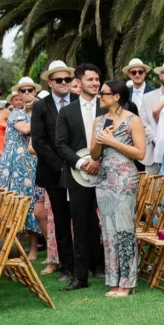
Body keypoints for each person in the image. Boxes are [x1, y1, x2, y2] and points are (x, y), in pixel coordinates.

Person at [90, 79, 146, 296]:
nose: (99, 96)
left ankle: (128, 283)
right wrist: (100, 140)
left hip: (125, 180)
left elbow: (140, 153)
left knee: (124, 230)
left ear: (116, 97)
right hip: (104, 180)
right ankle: (114, 280)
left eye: (103, 93)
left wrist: (113, 142)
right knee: (108, 231)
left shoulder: (133, 120)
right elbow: (94, 154)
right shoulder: (99, 121)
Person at [56, 63, 105, 291]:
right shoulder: (67, 112)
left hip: (105, 172)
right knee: (81, 223)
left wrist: (98, 161)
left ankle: (103, 267)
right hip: (77, 175)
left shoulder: (107, 108)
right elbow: (61, 144)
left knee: (105, 221)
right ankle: (80, 276)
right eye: (90, 79)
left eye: (97, 79)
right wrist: (81, 163)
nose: (95, 83)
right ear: (78, 82)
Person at [31, 61, 78, 281]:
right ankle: (66, 266)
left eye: (67, 79)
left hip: (81, 170)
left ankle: (88, 263)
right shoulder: (41, 106)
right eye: (59, 79)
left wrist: (78, 161)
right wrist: (61, 165)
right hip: (54, 172)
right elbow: (38, 141)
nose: (64, 83)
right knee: (61, 220)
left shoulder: (79, 101)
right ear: (50, 82)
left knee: (83, 218)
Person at [0, 77, 42, 259]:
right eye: (22, 91)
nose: (26, 93)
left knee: (32, 203)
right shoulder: (16, 113)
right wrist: (44, 120)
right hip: (13, 165)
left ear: (35, 92)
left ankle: (33, 248)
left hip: (33, 163)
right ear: (18, 94)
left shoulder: (39, 112)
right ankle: (9, 246)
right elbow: (25, 129)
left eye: (30, 90)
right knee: (12, 202)